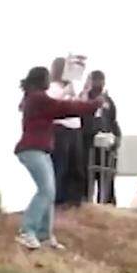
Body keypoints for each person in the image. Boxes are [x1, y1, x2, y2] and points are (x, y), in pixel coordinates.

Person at [15, 67, 103, 250]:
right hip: (32, 149)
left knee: (50, 191)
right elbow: (65, 108)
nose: (50, 81)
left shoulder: (35, 98)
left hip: (40, 149)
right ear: (41, 80)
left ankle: (44, 235)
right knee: (46, 190)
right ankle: (27, 231)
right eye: (47, 78)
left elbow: (64, 107)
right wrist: (94, 104)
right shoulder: (39, 98)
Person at [49, 57, 86, 207]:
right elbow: (52, 103)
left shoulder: (71, 87)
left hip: (75, 128)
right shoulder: (52, 87)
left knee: (76, 165)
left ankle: (75, 198)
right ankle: (58, 199)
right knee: (60, 165)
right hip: (60, 128)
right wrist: (65, 91)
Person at [81, 71, 120, 205]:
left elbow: (113, 121)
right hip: (88, 146)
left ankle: (107, 206)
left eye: (101, 80)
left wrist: (116, 138)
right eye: (96, 80)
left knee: (107, 181)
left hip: (106, 147)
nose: (99, 84)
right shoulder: (83, 99)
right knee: (86, 180)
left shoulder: (108, 101)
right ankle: (86, 206)